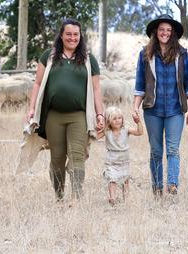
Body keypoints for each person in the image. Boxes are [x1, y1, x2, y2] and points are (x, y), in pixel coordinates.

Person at [25, 18, 105, 201]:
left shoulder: (88, 59)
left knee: (77, 155)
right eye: (68, 34)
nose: (72, 38)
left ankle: (76, 198)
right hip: (53, 116)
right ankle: (59, 196)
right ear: (61, 35)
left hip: (78, 116)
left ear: (80, 36)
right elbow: (37, 83)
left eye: (76, 34)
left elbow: (96, 89)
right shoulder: (48, 56)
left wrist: (100, 114)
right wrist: (31, 108)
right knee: (57, 159)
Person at [133, 14, 188, 197]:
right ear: (155, 32)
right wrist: (134, 108)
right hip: (152, 109)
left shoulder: (182, 54)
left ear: (173, 33)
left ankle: (172, 184)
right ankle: (157, 187)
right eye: (162, 29)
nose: (165, 33)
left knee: (172, 149)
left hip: (175, 109)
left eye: (169, 30)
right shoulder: (145, 54)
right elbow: (140, 84)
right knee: (155, 150)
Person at [101, 106, 144, 205]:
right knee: (112, 179)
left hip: (124, 160)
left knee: (125, 179)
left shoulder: (126, 129)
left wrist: (138, 122)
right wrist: (100, 126)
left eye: (119, 118)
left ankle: (126, 198)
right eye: (114, 119)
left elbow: (140, 132)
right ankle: (112, 198)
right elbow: (95, 136)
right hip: (111, 160)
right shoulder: (107, 131)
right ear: (109, 121)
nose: (117, 121)